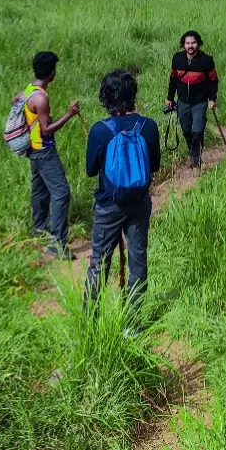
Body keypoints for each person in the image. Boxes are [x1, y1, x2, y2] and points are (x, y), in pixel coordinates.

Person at [85, 69, 161, 308]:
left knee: (99, 262)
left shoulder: (100, 130)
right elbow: (155, 165)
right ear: (133, 94)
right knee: (138, 259)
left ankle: (91, 321)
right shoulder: (148, 126)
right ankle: (133, 323)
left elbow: (90, 170)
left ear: (106, 97)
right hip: (139, 202)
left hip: (108, 204)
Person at [22, 50, 79, 258]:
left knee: (39, 189)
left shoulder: (28, 90)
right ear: (51, 73)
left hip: (32, 149)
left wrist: (31, 122)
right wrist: (69, 114)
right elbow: (47, 129)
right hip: (44, 150)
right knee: (61, 192)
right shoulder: (41, 98)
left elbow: (15, 101)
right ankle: (58, 242)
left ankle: (39, 228)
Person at [164, 30, 218, 169]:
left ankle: (195, 158)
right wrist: (170, 97)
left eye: (193, 42)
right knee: (186, 130)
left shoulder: (207, 60)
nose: (190, 46)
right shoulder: (177, 58)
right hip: (182, 101)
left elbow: (213, 80)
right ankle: (194, 153)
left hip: (200, 102)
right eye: (187, 43)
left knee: (198, 130)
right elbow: (173, 79)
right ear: (183, 45)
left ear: (198, 44)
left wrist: (212, 99)